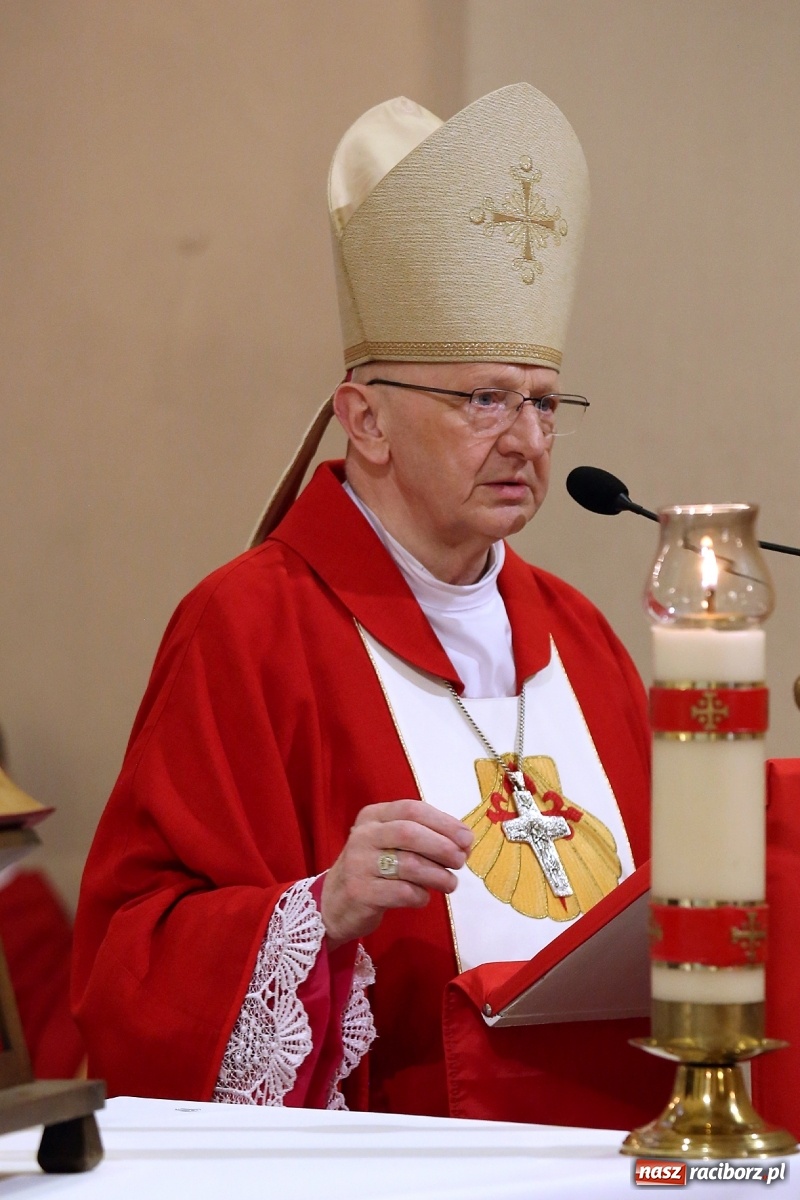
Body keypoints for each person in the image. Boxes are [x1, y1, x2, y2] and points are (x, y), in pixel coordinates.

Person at [72, 84, 653, 1120]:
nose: (524, 439)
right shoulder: (249, 628)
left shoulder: (580, 635)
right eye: (482, 399)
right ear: (365, 421)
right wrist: (317, 912)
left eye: (541, 400)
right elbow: (129, 965)